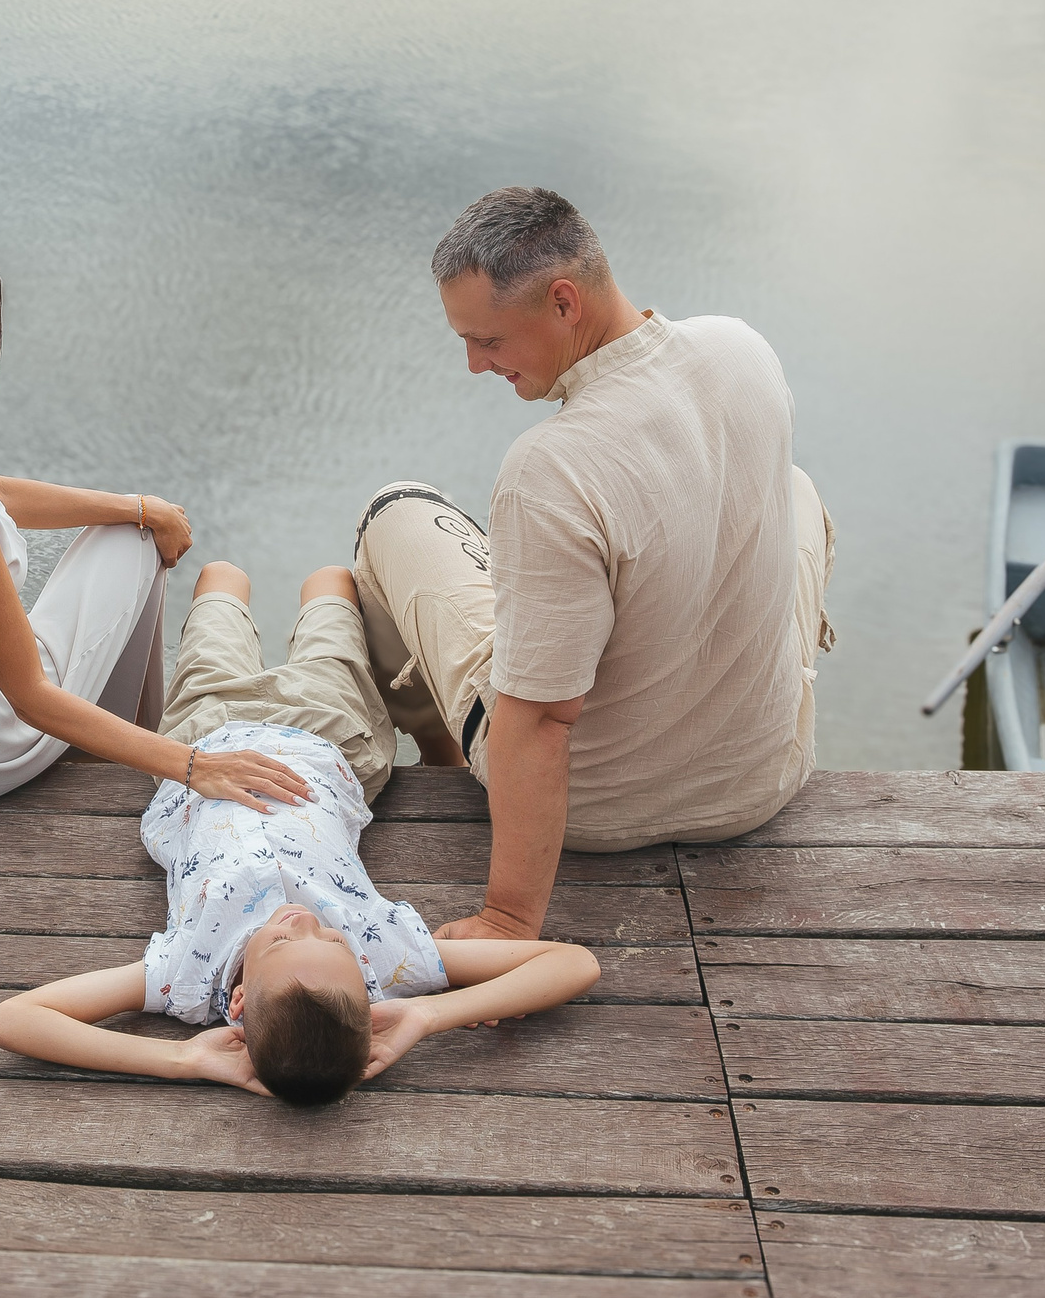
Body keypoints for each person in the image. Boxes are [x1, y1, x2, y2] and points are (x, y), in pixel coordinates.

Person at [351, 186, 835, 943]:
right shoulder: (743, 347)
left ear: (565, 302)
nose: (475, 364)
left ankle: (445, 753)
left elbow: (541, 720)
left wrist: (509, 919)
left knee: (393, 509)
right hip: (762, 780)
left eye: (488, 340)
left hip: (600, 809)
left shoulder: (551, 469)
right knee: (796, 489)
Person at [0, 560, 600, 1105]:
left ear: (238, 1005)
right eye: (335, 946)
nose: (305, 922)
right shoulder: (386, 961)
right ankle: (322, 580)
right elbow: (572, 963)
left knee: (219, 580)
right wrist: (427, 1015)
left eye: (283, 944)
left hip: (205, 738)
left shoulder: (185, 976)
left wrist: (182, 1058)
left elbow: (15, 1018)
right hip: (325, 733)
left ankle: (234, 580)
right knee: (331, 585)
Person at [0, 225, 310, 811]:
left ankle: (115, 743)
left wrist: (138, 504)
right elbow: (28, 697)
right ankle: (140, 750)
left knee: (134, 521)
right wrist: (194, 767)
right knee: (134, 544)